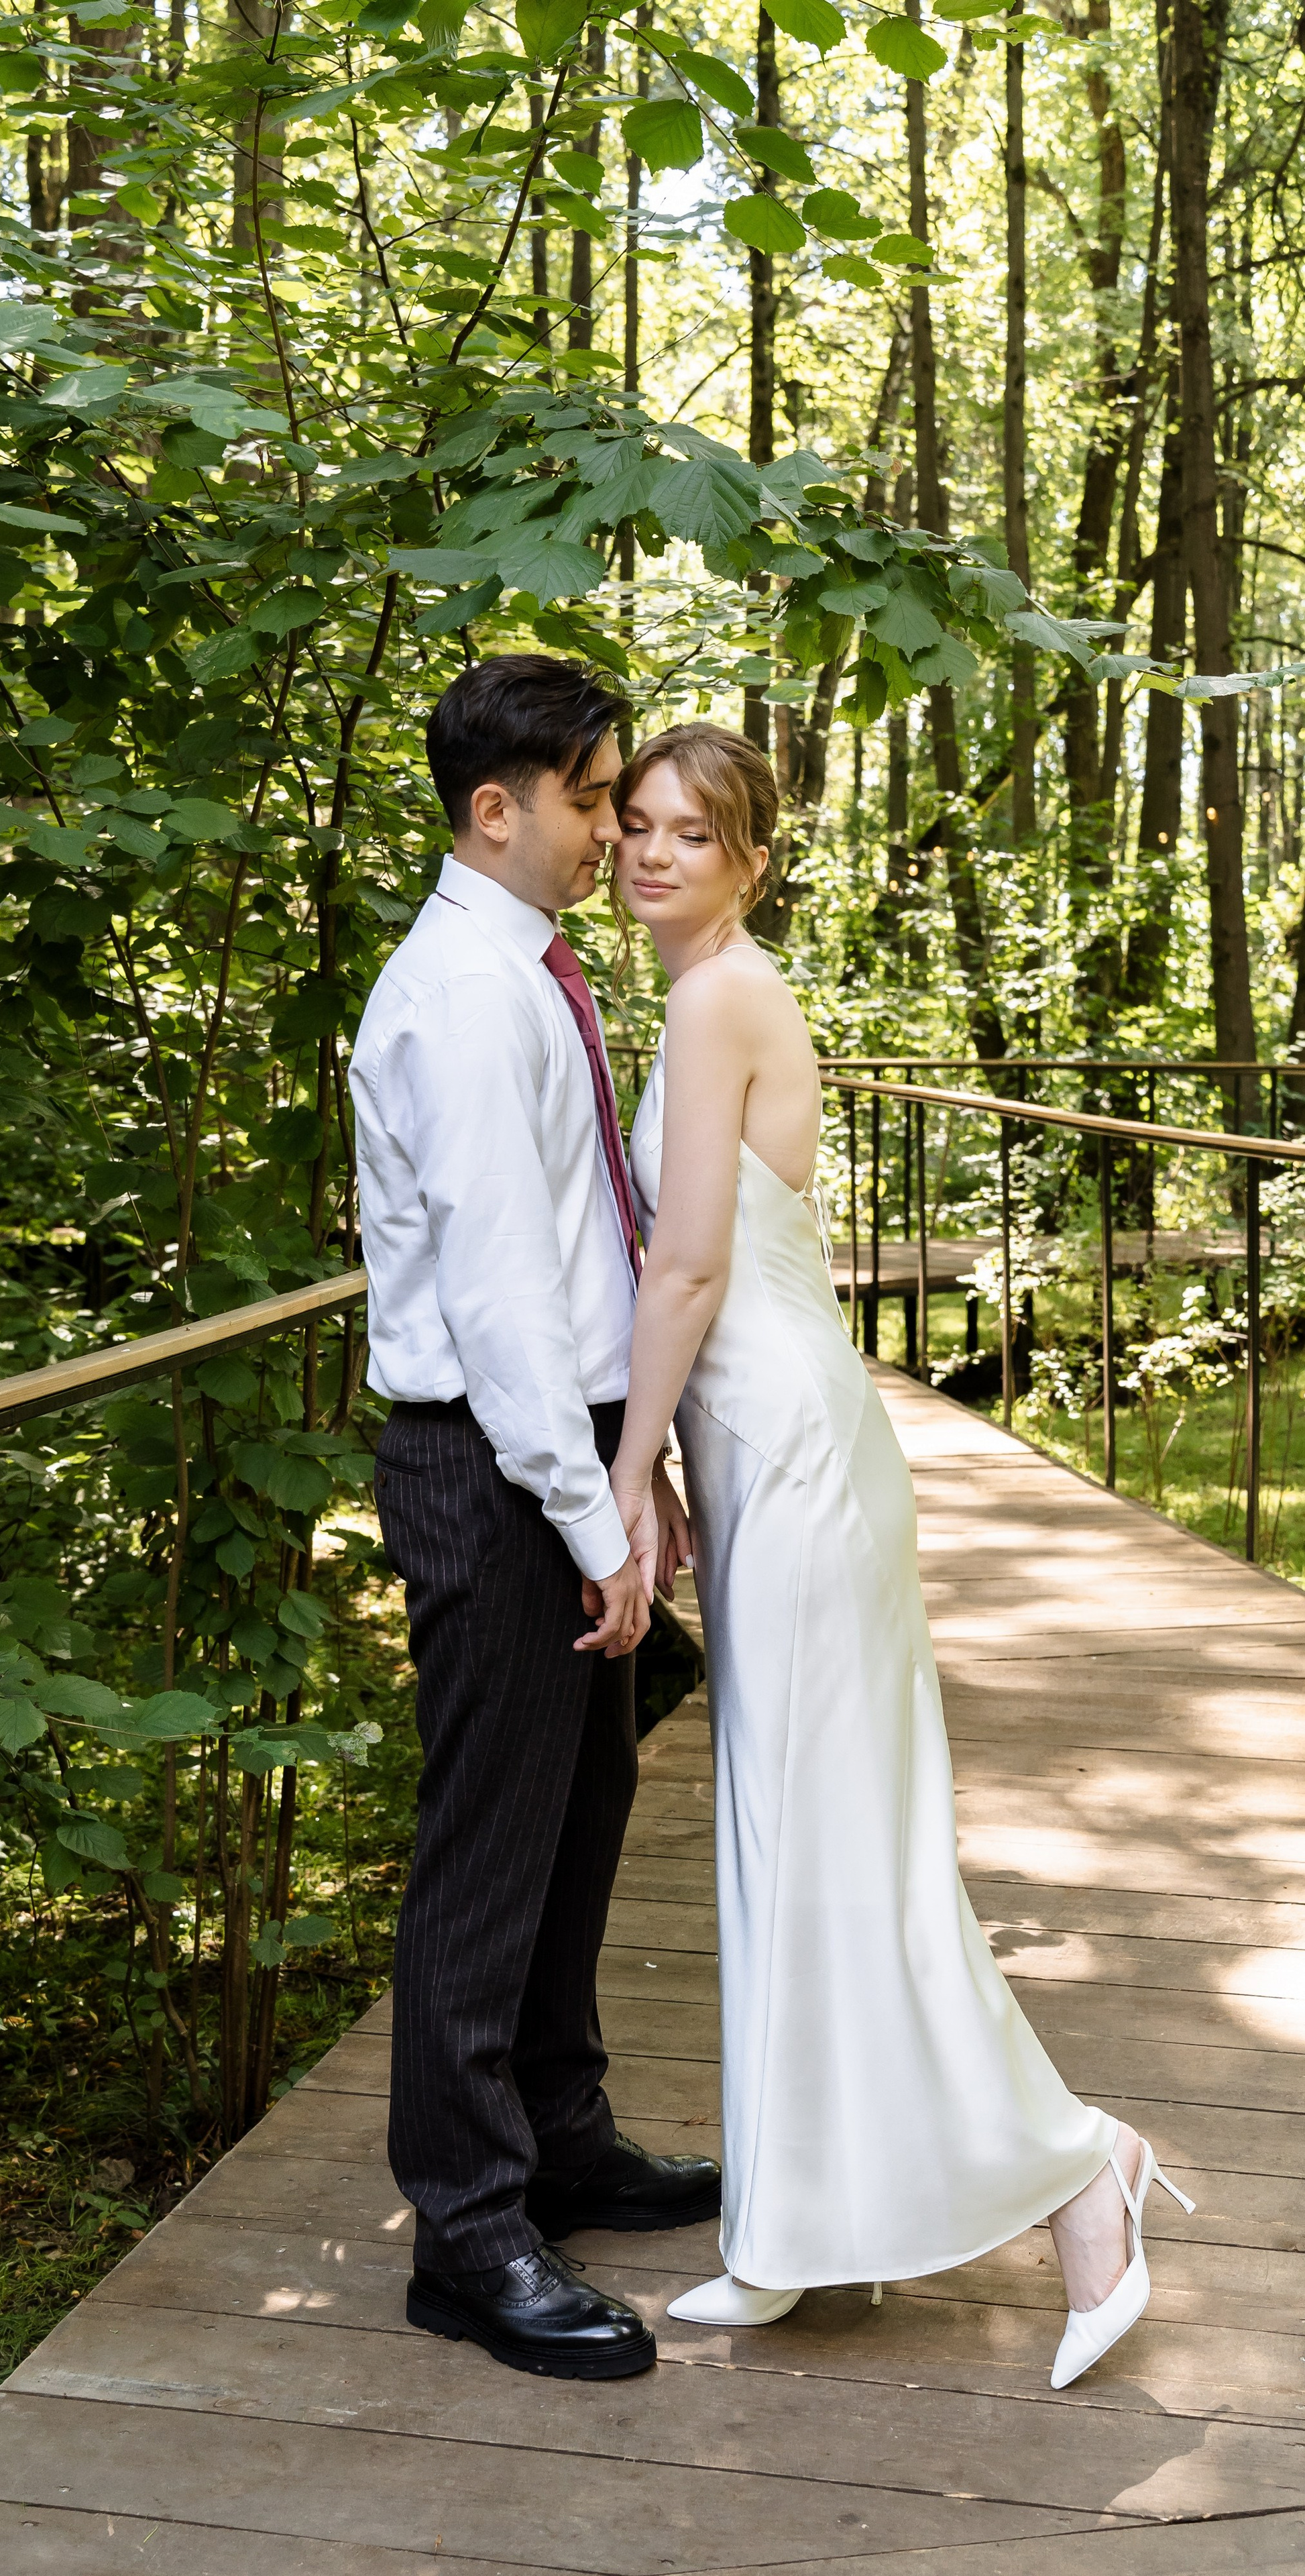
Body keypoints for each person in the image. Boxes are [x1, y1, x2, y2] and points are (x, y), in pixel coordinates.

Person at [606, 720, 1194, 2390]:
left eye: (690, 833)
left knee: (831, 1846)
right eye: (636, 822)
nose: (652, 852)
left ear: (748, 859)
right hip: (765, 1452)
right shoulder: (698, 993)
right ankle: (795, 2228)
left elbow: (690, 1273)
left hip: (787, 1450)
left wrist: (629, 1466)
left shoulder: (720, 995)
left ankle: (1084, 2167)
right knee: (785, 1845)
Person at [349, 656, 717, 2383]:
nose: (603, 834)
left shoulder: (532, 977)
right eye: (587, 801)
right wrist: (587, 1516)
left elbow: (574, 1269)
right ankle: (469, 2229)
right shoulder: (455, 1000)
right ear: (494, 808)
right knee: (487, 1847)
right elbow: (497, 1303)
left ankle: (559, 2140)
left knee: (579, 1812)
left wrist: (630, 1472)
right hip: (489, 1468)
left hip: (557, 1449)